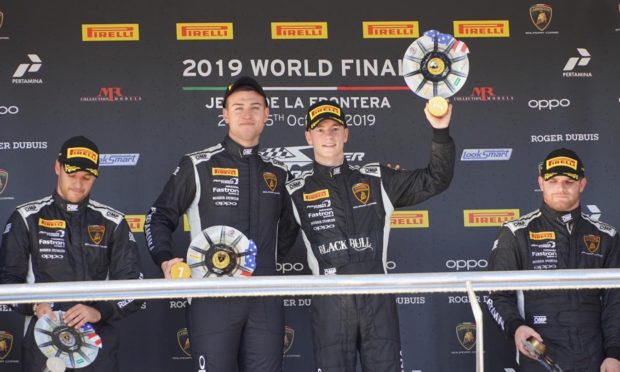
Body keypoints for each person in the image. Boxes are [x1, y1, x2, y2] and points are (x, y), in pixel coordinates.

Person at [285, 100, 455, 371]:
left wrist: (440, 130)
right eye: (320, 130)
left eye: (335, 128)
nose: (328, 135)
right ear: (308, 136)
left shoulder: (377, 178)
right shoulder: (294, 191)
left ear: (346, 134)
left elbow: (436, 179)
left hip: (377, 299)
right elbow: (274, 244)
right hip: (330, 302)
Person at [144, 76, 297, 372]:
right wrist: (164, 260)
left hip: (265, 295)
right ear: (224, 114)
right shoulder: (198, 165)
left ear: (267, 114)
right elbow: (158, 217)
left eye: (255, 107)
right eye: (238, 107)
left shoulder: (279, 172)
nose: (247, 114)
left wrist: (265, 261)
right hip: (211, 296)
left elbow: (289, 229)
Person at [0, 135, 144, 371]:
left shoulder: (113, 222)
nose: (79, 184)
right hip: (42, 343)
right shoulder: (26, 218)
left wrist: (98, 311)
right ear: (58, 167)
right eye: (72, 175)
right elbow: (7, 281)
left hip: (97, 346)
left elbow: (135, 287)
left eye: (86, 178)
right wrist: (36, 306)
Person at [486, 148, 620, 371]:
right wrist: (516, 327)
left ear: (582, 184)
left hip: (595, 359)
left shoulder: (607, 237)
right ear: (541, 183)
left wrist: (615, 353)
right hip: (538, 355)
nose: (560, 188)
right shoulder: (516, 233)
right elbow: (496, 294)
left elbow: (616, 301)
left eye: (569, 181)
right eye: (553, 181)